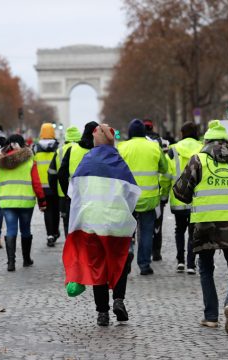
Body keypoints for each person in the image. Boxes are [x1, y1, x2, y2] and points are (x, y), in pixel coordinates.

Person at [173, 120, 228, 335]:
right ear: (226, 141)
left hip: (205, 223)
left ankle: (210, 317)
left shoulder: (198, 160)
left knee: (206, 269)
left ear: (205, 141)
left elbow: (180, 192)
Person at [62, 124, 140, 326]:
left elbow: (74, 192)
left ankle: (102, 313)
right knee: (120, 259)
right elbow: (132, 193)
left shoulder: (86, 160)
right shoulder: (118, 161)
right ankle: (119, 299)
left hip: (91, 222)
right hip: (116, 221)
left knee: (97, 265)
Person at [118, 119, 168, 275]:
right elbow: (164, 168)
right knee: (146, 232)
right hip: (149, 198)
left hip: (127, 197)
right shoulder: (154, 147)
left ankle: (128, 251)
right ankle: (144, 264)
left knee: (126, 231)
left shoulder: (122, 147)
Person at [0, 134, 46, 271]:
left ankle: (11, 263)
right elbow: (36, 182)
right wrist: (42, 200)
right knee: (26, 229)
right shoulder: (29, 161)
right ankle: (26, 259)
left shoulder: (1, 162)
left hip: (7, 201)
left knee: (11, 229)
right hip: (26, 201)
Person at [160, 121, 202, 274]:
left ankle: (180, 261)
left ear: (182, 133)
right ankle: (191, 264)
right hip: (197, 198)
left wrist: (164, 195)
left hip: (178, 197)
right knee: (193, 231)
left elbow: (166, 176)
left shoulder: (173, 150)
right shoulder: (202, 148)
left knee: (179, 229)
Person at [57, 121, 99, 236]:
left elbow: (61, 174)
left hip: (75, 197)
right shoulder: (100, 151)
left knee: (74, 232)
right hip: (96, 199)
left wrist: (68, 192)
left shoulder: (72, 150)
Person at [48, 126, 82, 238]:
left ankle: (69, 246)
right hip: (81, 193)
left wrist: (54, 191)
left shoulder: (60, 151)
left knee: (67, 222)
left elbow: (52, 173)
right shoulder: (83, 150)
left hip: (63, 193)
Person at [33, 123, 60, 247]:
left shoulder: (35, 148)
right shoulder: (58, 147)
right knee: (56, 210)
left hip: (41, 186)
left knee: (47, 210)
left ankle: (49, 234)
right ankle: (55, 232)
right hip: (55, 184)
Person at [143, 118, 166, 261]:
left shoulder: (128, 145)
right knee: (156, 224)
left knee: (137, 227)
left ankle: (133, 248)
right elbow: (165, 168)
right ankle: (156, 252)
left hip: (134, 193)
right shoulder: (160, 143)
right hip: (154, 190)